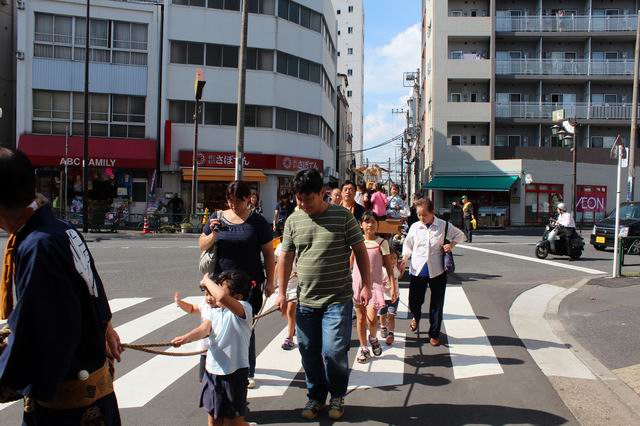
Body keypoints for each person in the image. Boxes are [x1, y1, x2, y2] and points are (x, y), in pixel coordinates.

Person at [0, 147, 122, 425]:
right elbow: (89, 292)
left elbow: (40, 338)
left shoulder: (38, 244)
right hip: (91, 394)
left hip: (70, 412)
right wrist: (101, 326)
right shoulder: (58, 229)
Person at [275, 169, 372, 421]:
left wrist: (367, 285)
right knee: (308, 351)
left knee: (333, 351)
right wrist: (281, 292)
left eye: (308, 199)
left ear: (322, 193)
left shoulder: (343, 217)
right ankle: (316, 397)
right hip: (306, 299)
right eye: (299, 199)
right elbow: (285, 257)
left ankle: (337, 394)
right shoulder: (293, 220)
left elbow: (360, 250)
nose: (303, 204)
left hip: (337, 299)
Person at [199, 181, 275, 389]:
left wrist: (271, 281)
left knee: (244, 328)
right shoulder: (217, 218)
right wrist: (214, 234)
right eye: (230, 200)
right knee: (217, 324)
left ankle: (247, 371)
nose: (233, 205)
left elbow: (269, 254)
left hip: (248, 285)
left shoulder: (258, 222)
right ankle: (216, 367)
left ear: (248, 198)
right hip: (219, 284)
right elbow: (202, 244)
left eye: (238, 200)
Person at [171, 271, 256, 426]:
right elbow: (204, 329)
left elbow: (222, 297)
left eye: (219, 289)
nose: (214, 294)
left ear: (237, 297)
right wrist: (185, 338)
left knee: (233, 424)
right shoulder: (214, 310)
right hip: (212, 371)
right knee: (214, 420)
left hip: (235, 373)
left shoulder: (244, 309)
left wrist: (206, 280)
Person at [400, 198, 464, 346]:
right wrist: (404, 259)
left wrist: (451, 245)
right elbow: (408, 245)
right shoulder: (415, 227)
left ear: (432, 212)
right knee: (414, 301)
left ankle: (434, 333)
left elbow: (460, 235)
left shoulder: (443, 225)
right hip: (418, 269)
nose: (421, 218)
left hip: (437, 269)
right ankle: (416, 316)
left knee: (437, 303)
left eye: (424, 215)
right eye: (419, 215)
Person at [351, 211, 397, 363]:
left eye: (373, 222)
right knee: (360, 319)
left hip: (374, 285)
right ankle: (364, 348)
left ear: (377, 224)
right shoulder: (356, 241)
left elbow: (389, 266)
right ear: (361, 225)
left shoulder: (382, 243)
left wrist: (393, 287)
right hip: (357, 284)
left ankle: (373, 338)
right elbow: (350, 263)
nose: (370, 224)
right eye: (367, 221)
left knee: (372, 320)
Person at [174, 291, 215, 382]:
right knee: (203, 380)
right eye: (206, 294)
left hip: (219, 351)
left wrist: (185, 338)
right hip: (205, 349)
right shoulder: (205, 304)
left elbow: (204, 329)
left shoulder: (223, 308)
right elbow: (192, 309)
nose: (208, 298)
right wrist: (180, 303)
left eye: (212, 295)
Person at [274, 239, 298, 350]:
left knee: (290, 311)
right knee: (282, 310)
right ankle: (293, 326)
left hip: (296, 282)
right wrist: (273, 282)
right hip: (283, 282)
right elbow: (278, 265)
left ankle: (289, 338)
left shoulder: (300, 245)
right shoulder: (280, 246)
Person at [379, 249, 401, 346]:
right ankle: (383, 326)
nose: (393, 260)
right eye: (391, 258)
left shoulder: (395, 268)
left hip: (394, 297)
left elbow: (399, 276)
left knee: (391, 315)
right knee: (383, 314)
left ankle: (391, 333)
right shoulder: (381, 270)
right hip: (383, 297)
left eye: (395, 258)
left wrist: (402, 267)